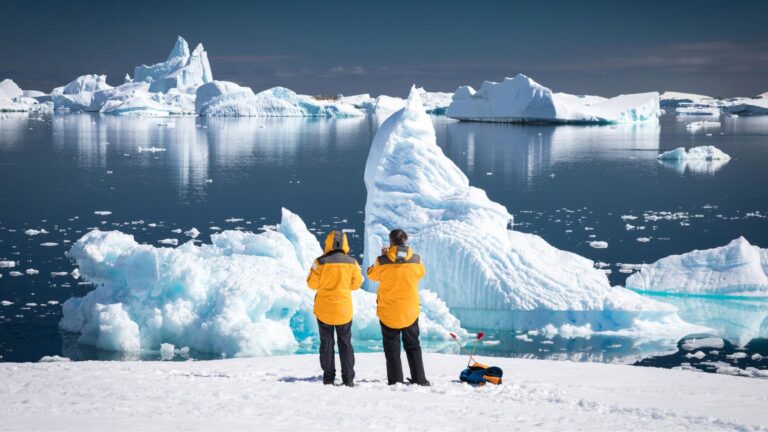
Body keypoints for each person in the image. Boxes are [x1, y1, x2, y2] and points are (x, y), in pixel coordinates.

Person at [366, 229, 429, 386]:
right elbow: (422, 273)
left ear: (391, 242)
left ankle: (395, 381)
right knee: (413, 346)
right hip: (410, 311)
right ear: (405, 241)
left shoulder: (382, 261)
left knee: (392, 348)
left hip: (389, 312)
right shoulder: (416, 260)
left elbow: (371, 275)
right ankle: (420, 379)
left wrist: (383, 255)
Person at [307, 230, 363, 386]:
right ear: (345, 243)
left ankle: (329, 377)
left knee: (327, 343)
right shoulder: (352, 262)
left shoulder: (319, 262)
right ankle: (348, 378)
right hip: (344, 310)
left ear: (328, 242)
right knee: (345, 343)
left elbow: (311, 284)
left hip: (324, 310)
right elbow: (356, 284)